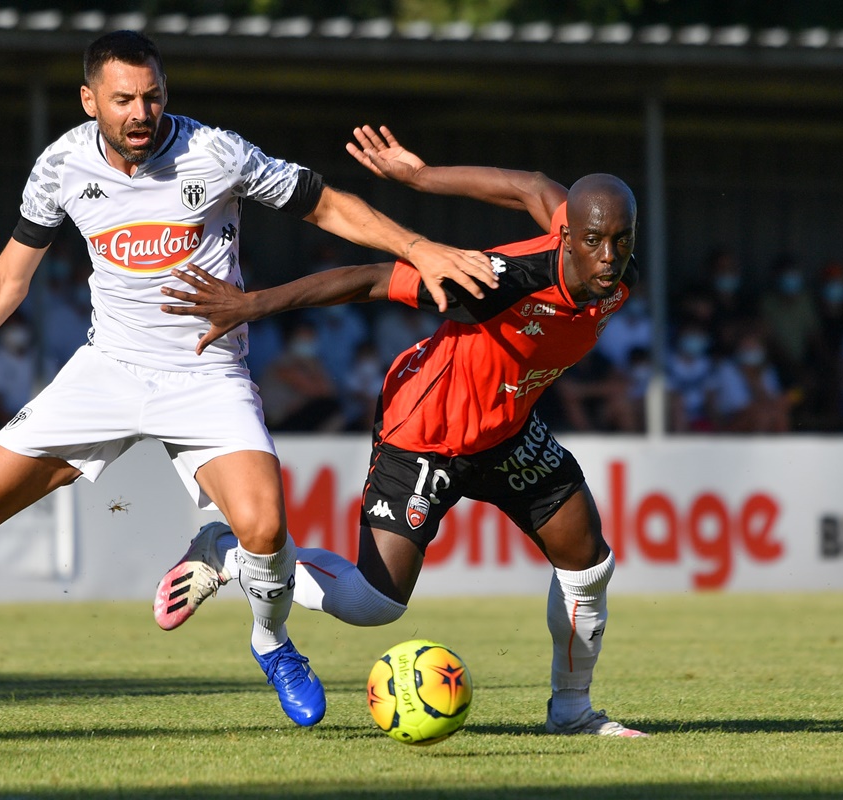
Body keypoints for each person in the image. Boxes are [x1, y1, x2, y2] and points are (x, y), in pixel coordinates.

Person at [0, 32, 496, 726]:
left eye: (152, 97)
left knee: (264, 527)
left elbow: (327, 204)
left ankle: (271, 644)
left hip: (205, 371)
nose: (142, 115)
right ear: (90, 101)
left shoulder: (214, 152)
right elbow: (9, 280)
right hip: (106, 370)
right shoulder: (62, 165)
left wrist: (419, 246)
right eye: (124, 100)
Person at [153, 124, 648, 737]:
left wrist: (420, 176)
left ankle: (572, 713)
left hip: (506, 430)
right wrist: (251, 305)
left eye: (620, 242)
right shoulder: (502, 280)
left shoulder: (600, 257)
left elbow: (530, 185)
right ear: (568, 236)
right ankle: (229, 551)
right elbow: (372, 279)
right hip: (425, 429)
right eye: (594, 241)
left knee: (588, 563)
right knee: (374, 605)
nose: (608, 258)